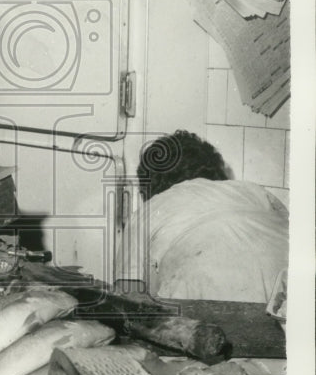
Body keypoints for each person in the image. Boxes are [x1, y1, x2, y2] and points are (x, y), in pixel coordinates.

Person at [115, 129, 289, 302]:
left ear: (149, 186)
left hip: (204, 299)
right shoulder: (256, 191)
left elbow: (127, 299)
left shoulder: (149, 211)